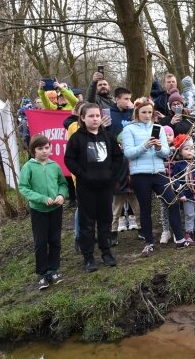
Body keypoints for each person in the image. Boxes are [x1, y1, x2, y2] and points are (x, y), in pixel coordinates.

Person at [122, 98, 195, 256]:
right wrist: (145, 146)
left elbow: (166, 153)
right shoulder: (129, 129)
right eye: (144, 112)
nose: (147, 115)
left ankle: (180, 238)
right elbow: (128, 153)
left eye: (149, 112)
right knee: (145, 209)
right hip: (140, 175)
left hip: (158, 172)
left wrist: (158, 147)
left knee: (172, 201)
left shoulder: (159, 128)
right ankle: (149, 243)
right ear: (137, 113)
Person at [64, 103, 123, 272]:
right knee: (87, 223)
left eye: (97, 115)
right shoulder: (77, 138)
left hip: (106, 186)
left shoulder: (108, 136)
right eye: (91, 116)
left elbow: (118, 157)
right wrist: (83, 174)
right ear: (83, 118)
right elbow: (69, 159)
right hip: (86, 187)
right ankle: (88, 257)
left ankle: (106, 252)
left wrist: (111, 175)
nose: (95, 119)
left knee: (105, 220)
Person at [18, 135, 69, 290]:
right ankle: (42, 274)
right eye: (40, 149)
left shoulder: (55, 165)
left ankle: (53, 270)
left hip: (56, 209)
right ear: (33, 151)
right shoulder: (28, 167)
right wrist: (41, 198)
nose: (44, 151)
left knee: (55, 240)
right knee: (41, 242)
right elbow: (24, 187)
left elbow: (63, 184)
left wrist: (61, 195)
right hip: (39, 210)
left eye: (47, 147)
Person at [172, 137, 195, 243]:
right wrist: (180, 194)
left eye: (191, 148)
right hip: (187, 195)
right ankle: (189, 232)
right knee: (189, 214)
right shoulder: (178, 165)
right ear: (180, 152)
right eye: (186, 149)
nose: (190, 151)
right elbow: (175, 181)